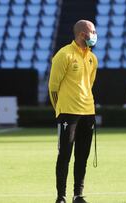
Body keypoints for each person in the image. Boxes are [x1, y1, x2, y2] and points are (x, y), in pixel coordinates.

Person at [48, 19, 98, 203]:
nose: (95, 35)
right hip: (68, 113)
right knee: (64, 155)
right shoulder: (64, 55)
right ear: (83, 34)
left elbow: (89, 85)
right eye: (93, 31)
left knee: (82, 156)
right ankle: (61, 196)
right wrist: (60, 110)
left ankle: (78, 195)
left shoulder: (93, 58)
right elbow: (53, 87)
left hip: (88, 113)